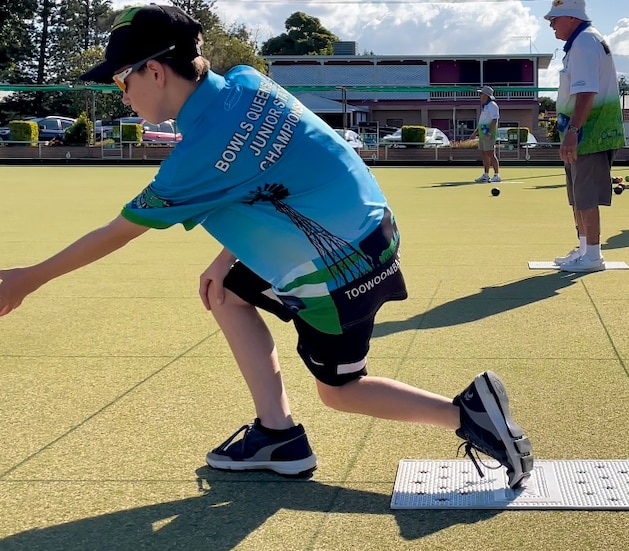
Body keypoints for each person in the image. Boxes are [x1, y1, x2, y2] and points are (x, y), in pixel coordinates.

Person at [0, 5, 534, 490]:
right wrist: (228, 254)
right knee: (225, 291)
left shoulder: (194, 160)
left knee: (341, 391)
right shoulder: (249, 83)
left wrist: (29, 277)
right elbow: (281, 171)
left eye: (122, 79)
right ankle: (277, 435)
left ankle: (469, 414)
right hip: (376, 234)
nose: (122, 93)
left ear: (154, 71)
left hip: (337, 274)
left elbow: (117, 232)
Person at [546, 0, 625, 273]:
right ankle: (583, 249)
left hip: (589, 133)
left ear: (570, 17)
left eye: (554, 19)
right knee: (578, 194)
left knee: (586, 194)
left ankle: (593, 254)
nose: (551, 24)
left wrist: (574, 131)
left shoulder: (584, 44)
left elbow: (587, 92)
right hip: (584, 132)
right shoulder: (582, 43)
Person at [471, 86, 501, 183]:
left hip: (488, 133)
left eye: (481, 94)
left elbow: (494, 120)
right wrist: (475, 133)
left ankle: (497, 175)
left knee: (490, 153)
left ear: (486, 95)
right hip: (483, 132)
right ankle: (486, 175)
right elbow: (482, 122)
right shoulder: (486, 106)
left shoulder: (493, 105)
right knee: (484, 153)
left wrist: (489, 132)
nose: (480, 96)